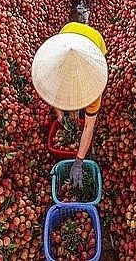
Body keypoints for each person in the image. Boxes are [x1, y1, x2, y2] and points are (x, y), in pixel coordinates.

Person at [31, 21, 108, 188]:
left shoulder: (94, 93)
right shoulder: (55, 73)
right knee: (62, 97)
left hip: (95, 41)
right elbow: (52, 92)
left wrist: (78, 161)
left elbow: (88, 126)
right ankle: (70, 115)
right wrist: (60, 116)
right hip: (68, 33)